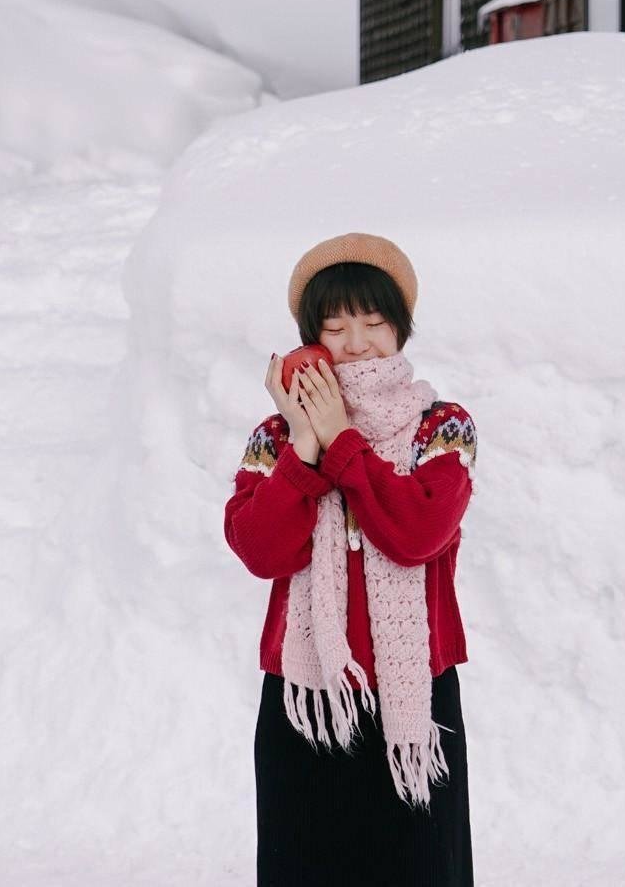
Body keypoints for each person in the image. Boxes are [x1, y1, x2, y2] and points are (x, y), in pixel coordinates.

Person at [224, 231, 478, 886]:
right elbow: (260, 547)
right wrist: (306, 449)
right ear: (312, 339)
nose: (357, 341)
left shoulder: (441, 426)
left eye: (373, 321)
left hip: (414, 696)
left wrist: (341, 441)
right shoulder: (278, 435)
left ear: (401, 329)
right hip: (304, 697)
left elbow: (416, 531)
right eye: (336, 327)